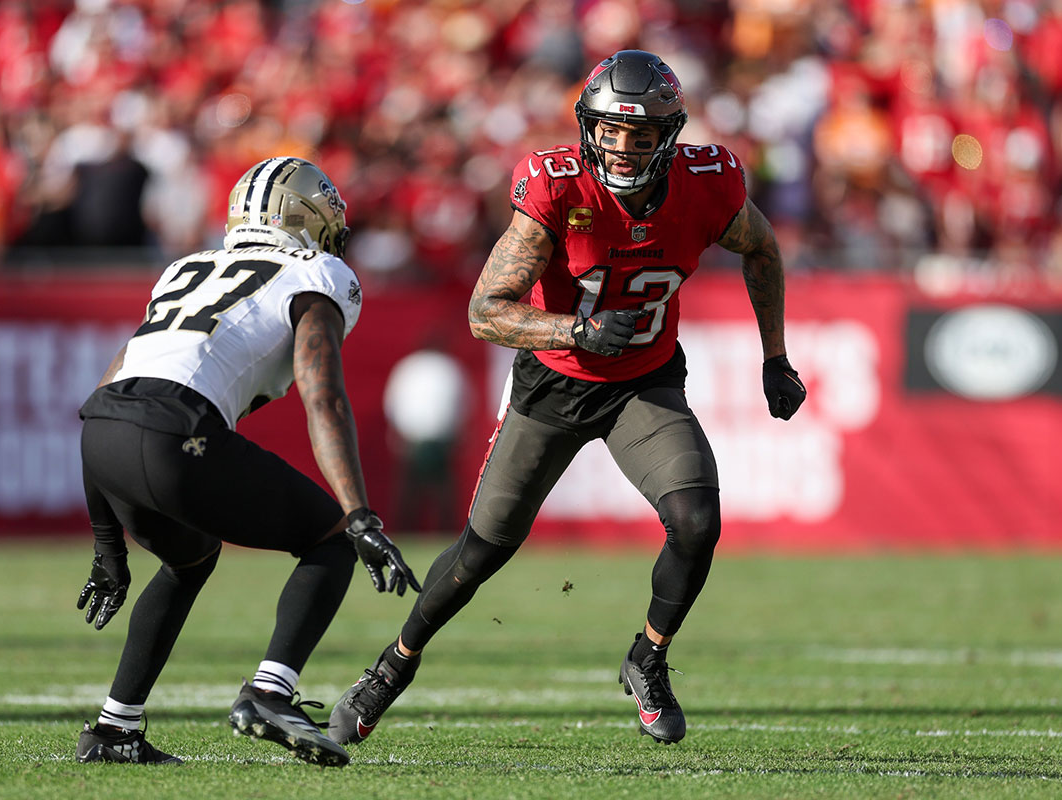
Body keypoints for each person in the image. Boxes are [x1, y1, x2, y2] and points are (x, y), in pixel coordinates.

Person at [326, 50, 806, 748]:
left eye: (640, 134)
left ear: (669, 137)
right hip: (552, 385)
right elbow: (485, 310)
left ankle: (649, 657)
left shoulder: (710, 183)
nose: (621, 145)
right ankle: (392, 665)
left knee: (697, 518)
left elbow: (762, 249)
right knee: (480, 554)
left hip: (643, 381)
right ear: (588, 127)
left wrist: (776, 356)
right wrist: (575, 328)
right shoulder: (558, 186)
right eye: (609, 129)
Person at [72, 156, 421, 767]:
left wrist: (109, 546)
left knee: (190, 557)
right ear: (303, 218)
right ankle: (270, 692)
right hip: (172, 431)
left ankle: (113, 729)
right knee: (332, 538)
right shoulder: (317, 271)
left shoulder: (187, 266)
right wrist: (361, 514)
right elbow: (324, 395)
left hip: (102, 434)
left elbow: (104, 398)